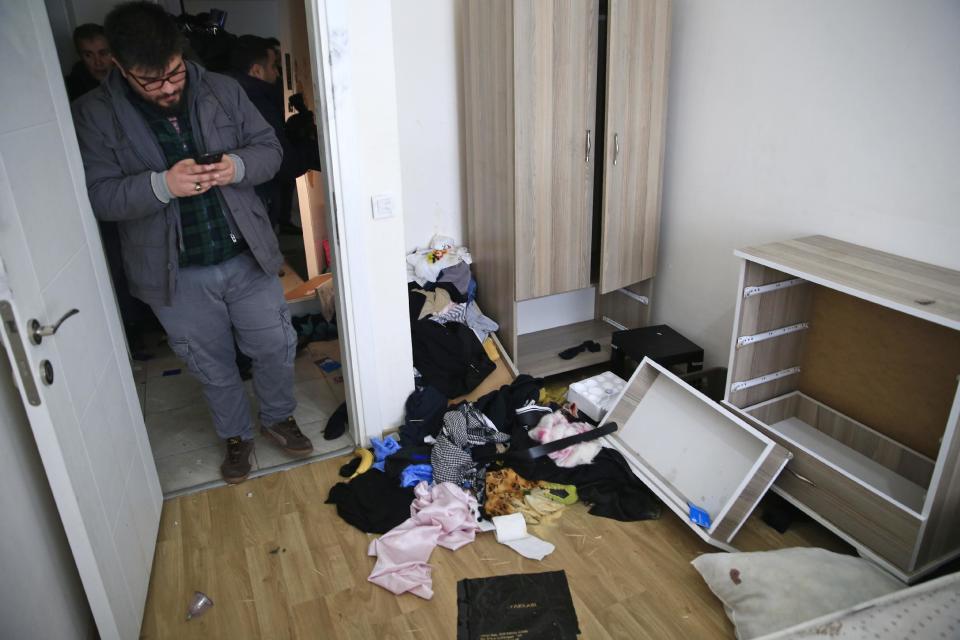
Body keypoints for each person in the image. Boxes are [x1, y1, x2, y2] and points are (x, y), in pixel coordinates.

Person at [72, 2, 313, 484]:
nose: (167, 87)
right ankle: (236, 436)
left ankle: (278, 418)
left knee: (274, 344)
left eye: (174, 74)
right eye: (151, 81)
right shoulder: (93, 114)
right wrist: (162, 185)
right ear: (119, 65)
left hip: (247, 255)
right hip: (174, 272)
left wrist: (237, 168)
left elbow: (270, 151)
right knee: (210, 363)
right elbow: (98, 197)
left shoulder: (223, 89)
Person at [228, 35, 302, 231]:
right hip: (260, 190)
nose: (277, 74)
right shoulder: (257, 100)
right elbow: (278, 151)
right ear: (257, 70)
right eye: (272, 67)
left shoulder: (231, 94)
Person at [65, 23, 112, 101]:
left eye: (103, 53)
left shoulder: (129, 80)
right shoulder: (68, 90)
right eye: (88, 55)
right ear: (80, 56)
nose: (98, 62)